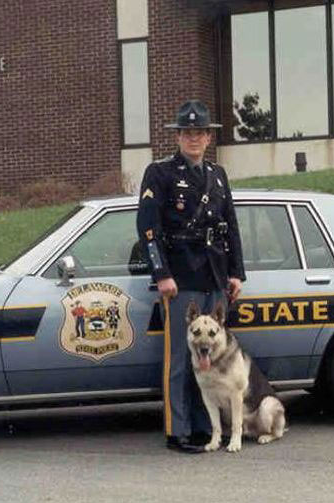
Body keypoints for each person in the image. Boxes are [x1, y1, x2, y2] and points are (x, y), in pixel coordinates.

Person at [136, 100, 245, 453]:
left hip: (214, 275)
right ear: (178, 137)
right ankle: (177, 429)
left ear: (208, 138)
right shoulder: (160, 173)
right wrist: (162, 274)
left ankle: (204, 429)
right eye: (187, 132)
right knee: (182, 360)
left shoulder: (218, 175)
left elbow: (230, 227)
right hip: (180, 277)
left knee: (210, 359)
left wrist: (236, 273)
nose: (194, 138)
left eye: (200, 133)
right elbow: (148, 229)